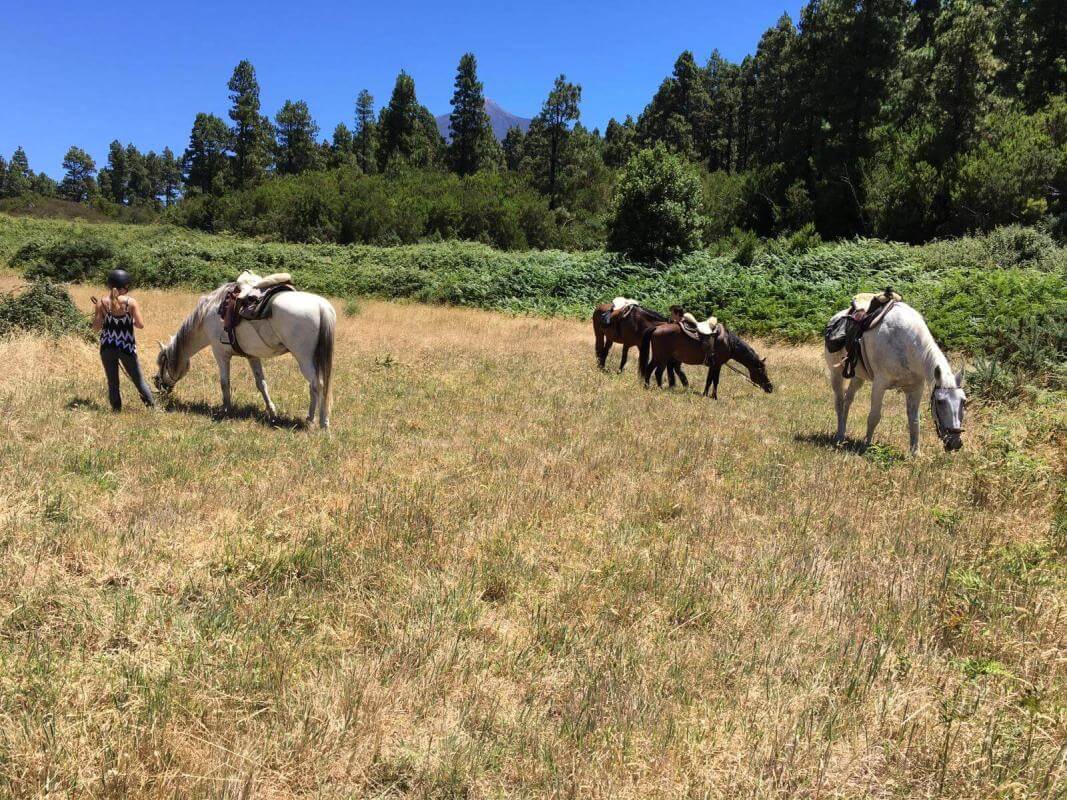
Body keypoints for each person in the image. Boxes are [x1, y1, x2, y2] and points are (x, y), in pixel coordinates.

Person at [92, 269, 156, 411]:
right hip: (126, 347)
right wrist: (128, 322)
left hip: (107, 348)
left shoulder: (101, 303)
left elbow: (96, 327)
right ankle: (152, 408)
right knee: (138, 380)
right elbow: (140, 325)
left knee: (112, 381)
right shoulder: (130, 302)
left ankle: (116, 409)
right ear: (125, 287)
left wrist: (103, 318)